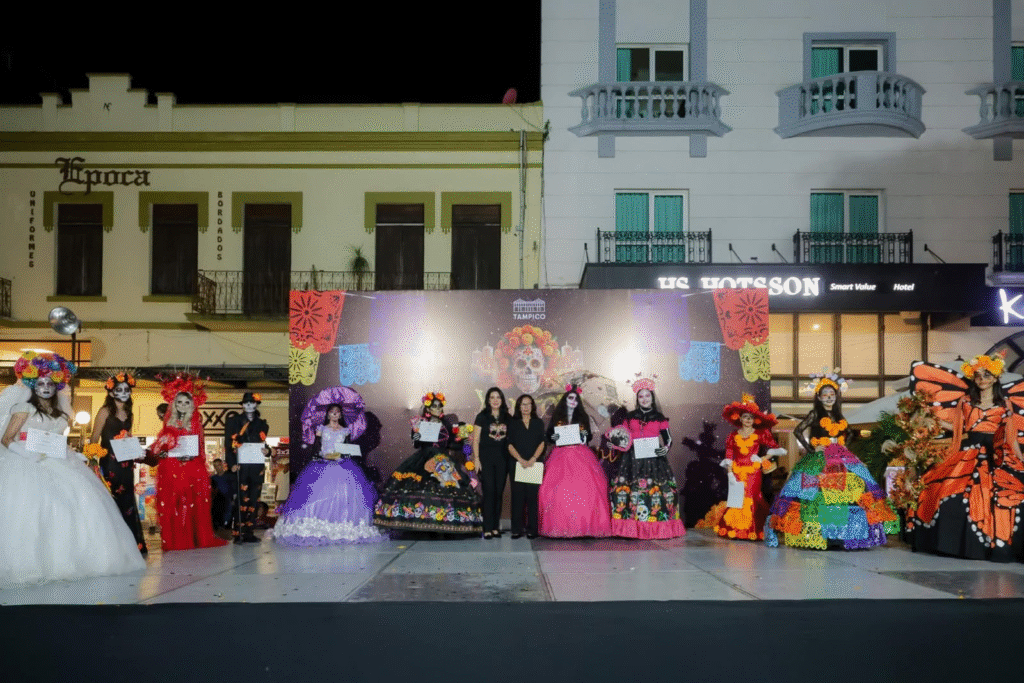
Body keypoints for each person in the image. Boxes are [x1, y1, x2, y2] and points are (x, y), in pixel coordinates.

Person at [0, 351, 145, 585]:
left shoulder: (60, 413)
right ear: (33, 385)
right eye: (41, 383)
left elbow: (58, 440)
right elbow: (7, 439)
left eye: (50, 384)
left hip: (57, 461)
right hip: (26, 462)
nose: (46, 388)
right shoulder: (23, 407)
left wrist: (72, 453)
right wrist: (26, 453)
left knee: (75, 506)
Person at [908, 356, 1024, 562]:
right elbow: (958, 427)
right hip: (968, 451)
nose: (982, 379)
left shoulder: (1004, 404)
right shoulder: (966, 402)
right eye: (977, 375)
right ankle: (957, 545)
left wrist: (1020, 460)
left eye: (986, 375)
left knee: (1007, 494)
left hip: (997, 453)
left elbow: (1011, 436)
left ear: (995, 378)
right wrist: (931, 417)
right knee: (943, 489)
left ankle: (999, 543)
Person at [765, 371, 898, 550]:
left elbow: (849, 433)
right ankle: (822, 534)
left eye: (832, 394)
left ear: (836, 396)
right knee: (812, 490)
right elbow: (798, 431)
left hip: (841, 455)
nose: (829, 398)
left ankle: (843, 534)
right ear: (819, 397)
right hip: (820, 457)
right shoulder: (815, 414)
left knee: (853, 489)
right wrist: (812, 448)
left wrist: (843, 446)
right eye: (825, 395)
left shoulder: (839, 415)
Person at [274, 399, 384, 545]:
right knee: (317, 494)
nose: (334, 415)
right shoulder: (321, 429)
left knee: (345, 495)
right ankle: (317, 525)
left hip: (342, 465)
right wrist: (321, 455)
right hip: (323, 464)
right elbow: (316, 448)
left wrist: (342, 455)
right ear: (328, 414)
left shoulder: (345, 431)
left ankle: (342, 525)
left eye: (337, 412)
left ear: (340, 415)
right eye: (332, 412)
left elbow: (347, 449)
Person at [374, 391, 483, 535]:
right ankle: (420, 524)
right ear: (428, 409)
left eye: (440, 406)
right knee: (421, 486)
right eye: (434, 406)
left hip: (443, 460)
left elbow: (451, 444)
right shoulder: (420, 423)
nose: (438, 409)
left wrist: (464, 441)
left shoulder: (445, 424)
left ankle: (445, 524)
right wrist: (417, 435)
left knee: (449, 486)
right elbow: (417, 444)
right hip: (424, 458)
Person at [149, 373, 227, 551]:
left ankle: (193, 538)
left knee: (193, 504)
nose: (183, 405)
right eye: (179, 402)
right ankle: (179, 540)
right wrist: (165, 451)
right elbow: (159, 448)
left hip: (193, 468)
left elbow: (200, 446)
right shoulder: (169, 423)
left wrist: (193, 457)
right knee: (176, 504)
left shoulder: (196, 422)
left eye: (186, 402)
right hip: (173, 468)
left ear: (191, 404)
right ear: (174, 404)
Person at [607, 378, 685, 539]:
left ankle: (655, 527)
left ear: (652, 397)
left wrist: (665, 449)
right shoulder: (630, 417)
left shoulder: (659, 417)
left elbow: (668, 439)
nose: (644, 399)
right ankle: (632, 529)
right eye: (641, 396)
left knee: (656, 493)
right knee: (630, 493)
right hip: (632, 460)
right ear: (637, 399)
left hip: (655, 460)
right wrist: (615, 444)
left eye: (647, 396)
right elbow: (623, 437)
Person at [537, 384, 611, 538]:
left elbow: (588, 436)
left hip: (580, 454)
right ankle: (561, 526)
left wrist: (584, 435)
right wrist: (553, 437)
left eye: (576, 399)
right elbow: (549, 435)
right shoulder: (557, 417)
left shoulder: (583, 417)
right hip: (560, 455)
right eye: (570, 398)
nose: (573, 401)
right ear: (565, 400)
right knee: (558, 488)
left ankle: (584, 526)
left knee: (586, 488)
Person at [715, 394, 786, 541]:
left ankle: (753, 530)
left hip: (753, 472)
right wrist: (730, 473)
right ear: (740, 418)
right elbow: (729, 455)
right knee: (737, 499)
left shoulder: (760, 433)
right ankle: (735, 530)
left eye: (751, 417)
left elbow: (776, 449)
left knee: (753, 497)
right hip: (737, 472)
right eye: (745, 417)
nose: (748, 420)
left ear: (755, 420)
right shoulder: (732, 436)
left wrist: (762, 458)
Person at [92, 371, 147, 553]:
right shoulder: (104, 411)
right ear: (110, 392)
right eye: (119, 389)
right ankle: (111, 546)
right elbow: (94, 438)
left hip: (126, 463)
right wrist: (92, 461)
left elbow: (128, 436)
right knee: (111, 499)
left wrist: (135, 449)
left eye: (126, 389)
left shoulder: (130, 413)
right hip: (109, 461)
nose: (123, 393)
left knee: (127, 500)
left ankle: (131, 544)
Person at [224, 392, 269, 543]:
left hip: (256, 464)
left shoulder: (262, 424)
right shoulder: (234, 421)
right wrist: (231, 463)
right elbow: (228, 444)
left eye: (252, 402)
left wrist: (268, 451)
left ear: (256, 405)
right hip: (241, 464)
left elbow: (263, 443)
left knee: (254, 499)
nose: (249, 405)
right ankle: (238, 533)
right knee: (240, 499)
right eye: (246, 403)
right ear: (242, 405)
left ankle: (249, 531)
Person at [472, 387, 511, 539]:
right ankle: (487, 527)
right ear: (488, 400)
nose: (495, 400)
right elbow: (475, 440)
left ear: (502, 400)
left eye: (498, 397)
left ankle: (495, 527)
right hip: (486, 460)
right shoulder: (482, 417)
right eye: (492, 397)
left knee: (498, 492)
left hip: (503, 459)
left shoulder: (507, 417)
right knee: (489, 492)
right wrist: (476, 459)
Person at [507, 394, 545, 539]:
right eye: (523, 404)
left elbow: (542, 442)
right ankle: (517, 529)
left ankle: (532, 529)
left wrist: (533, 458)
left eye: (528, 404)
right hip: (517, 464)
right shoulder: (513, 423)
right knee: (517, 497)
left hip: (534, 464)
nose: (526, 407)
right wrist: (520, 460)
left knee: (532, 498)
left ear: (532, 406)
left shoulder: (538, 423)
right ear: (518, 407)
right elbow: (509, 444)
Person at [209, 458, 235, 531]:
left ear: (222, 465)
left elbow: (233, 489)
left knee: (227, 521)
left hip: (228, 501)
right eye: (215, 466)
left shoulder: (229, 476)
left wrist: (233, 500)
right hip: (217, 503)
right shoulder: (213, 478)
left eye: (219, 465)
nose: (218, 467)